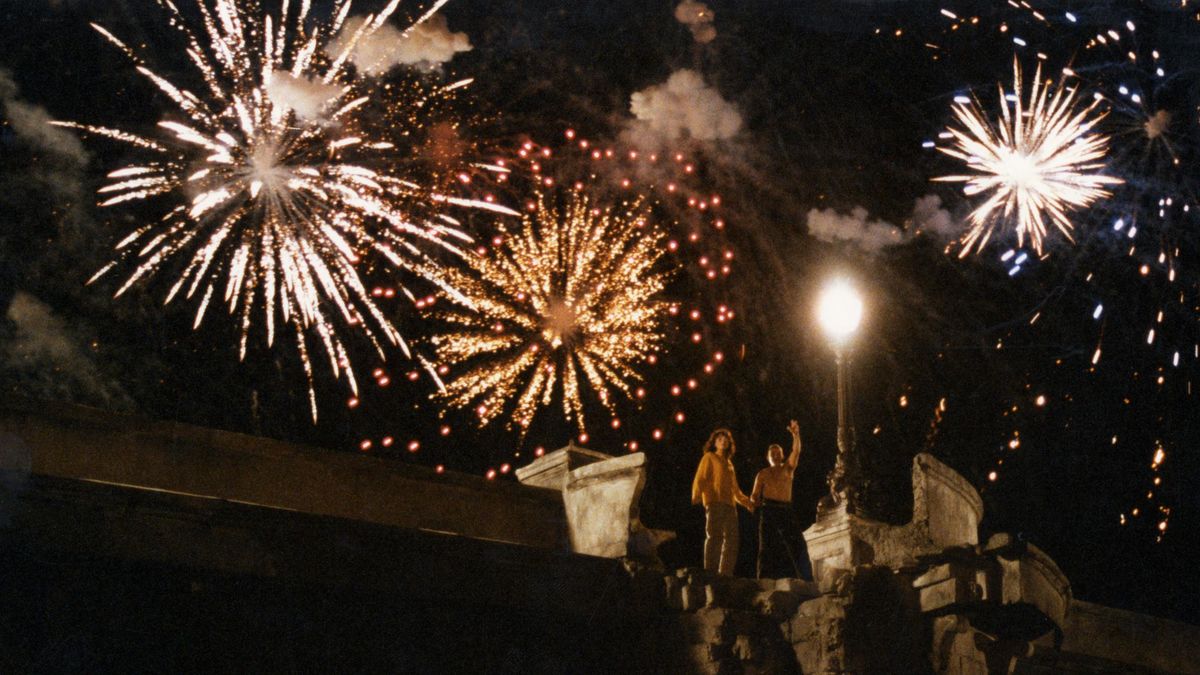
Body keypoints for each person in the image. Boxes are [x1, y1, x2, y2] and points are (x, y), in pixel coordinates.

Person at [751, 420, 811, 580]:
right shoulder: (762, 474)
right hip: (768, 510)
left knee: (798, 544)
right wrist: (754, 500)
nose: (776, 455)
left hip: (785, 509)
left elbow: (796, 451)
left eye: (778, 453)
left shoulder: (788, 468)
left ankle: (807, 579)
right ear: (768, 457)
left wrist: (796, 435)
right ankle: (762, 580)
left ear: (782, 455)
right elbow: (755, 494)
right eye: (773, 453)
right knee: (765, 548)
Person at [691, 428, 756, 576]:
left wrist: (747, 503)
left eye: (726, 439)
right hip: (714, 501)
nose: (723, 441)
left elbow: (735, 490)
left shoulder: (729, 464)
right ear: (714, 442)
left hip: (729, 505)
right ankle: (710, 572)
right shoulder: (709, 457)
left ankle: (725, 574)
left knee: (732, 540)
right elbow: (700, 477)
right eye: (720, 439)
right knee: (714, 536)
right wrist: (696, 495)